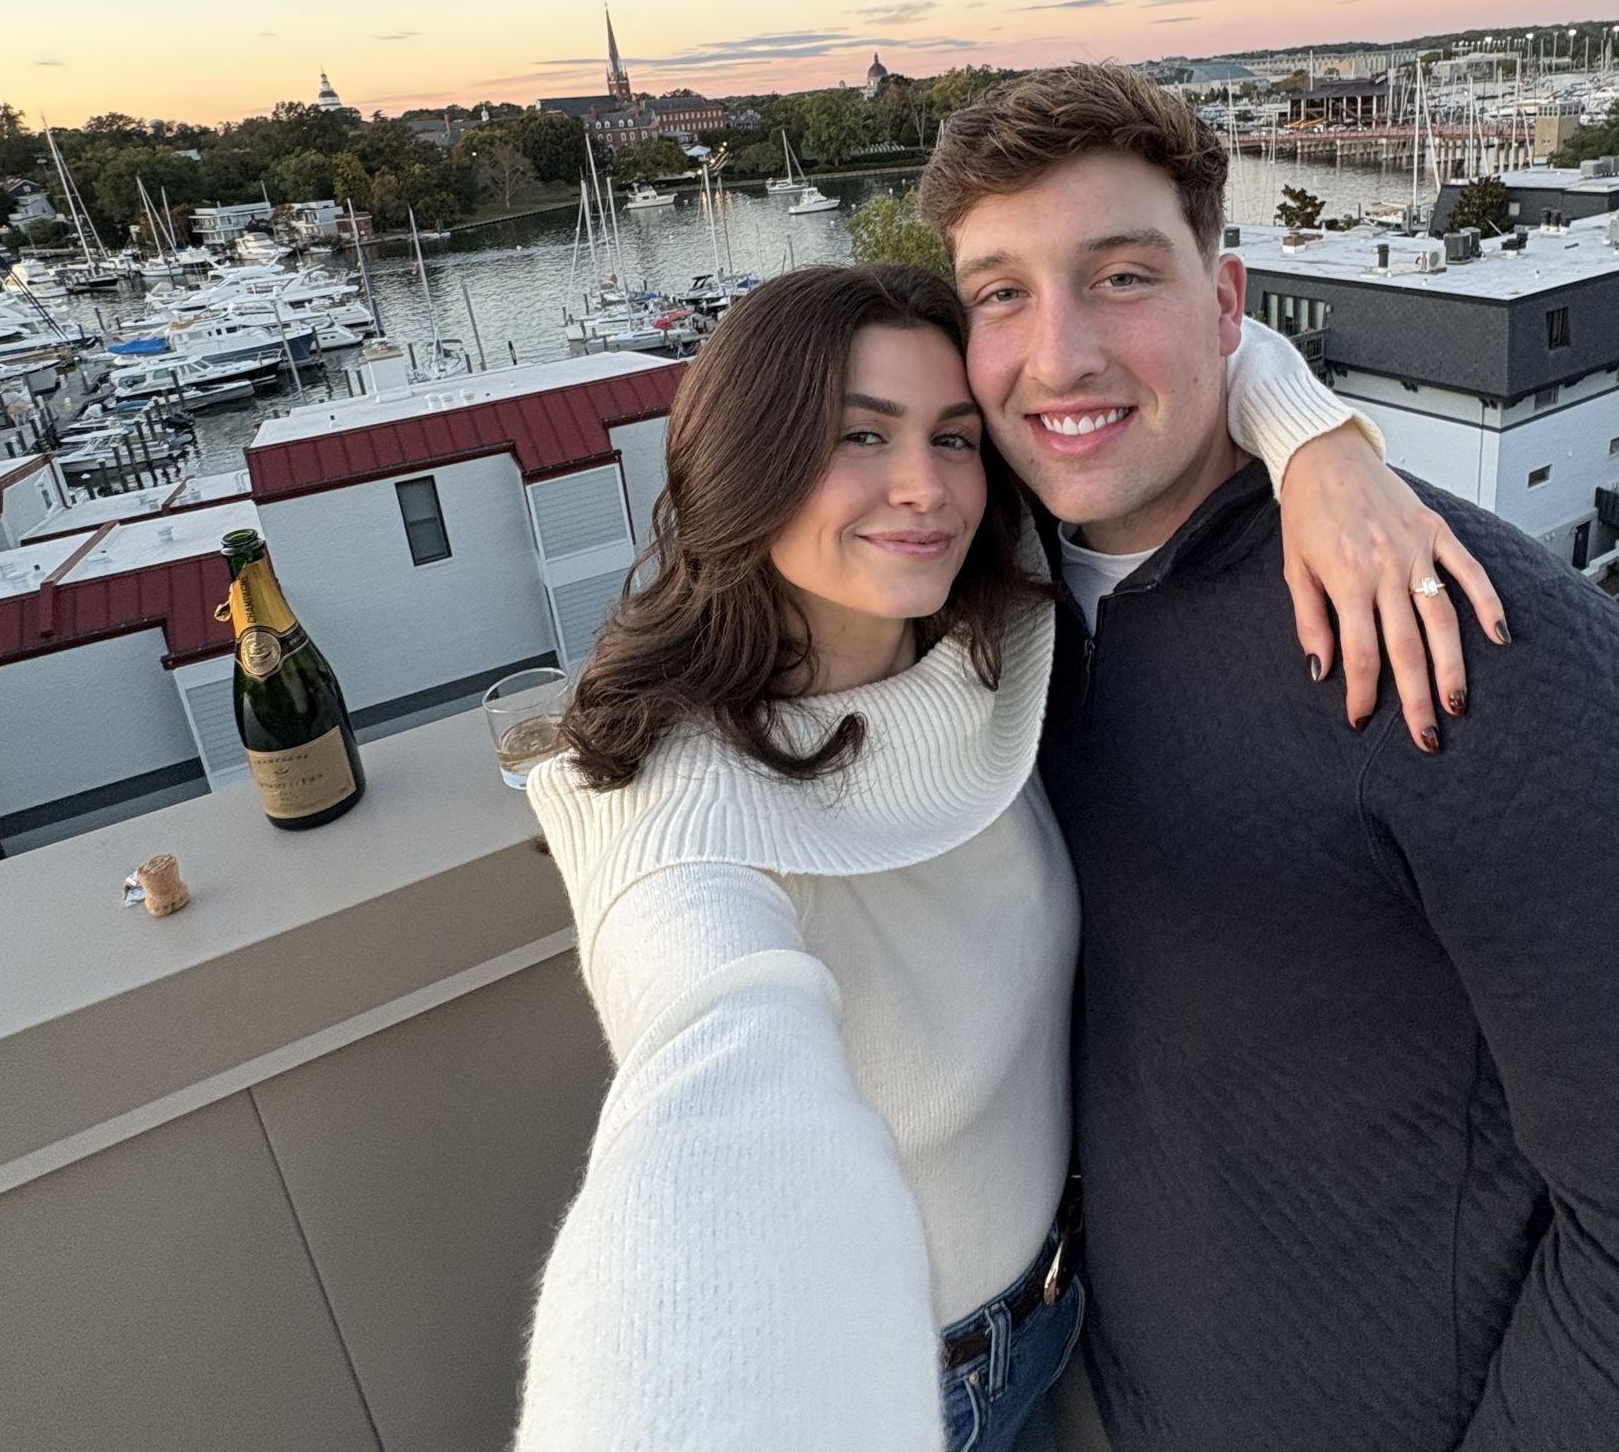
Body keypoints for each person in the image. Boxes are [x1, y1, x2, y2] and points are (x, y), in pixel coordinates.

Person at [917, 62, 1619, 1452]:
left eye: (1122, 276)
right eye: (1001, 290)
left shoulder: (1473, 648)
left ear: (1226, 304)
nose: (1057, 353)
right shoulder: (982, 584)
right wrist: (1309, 427)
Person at [513, 259, 1505, 1452]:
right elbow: (712, 1086)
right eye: (858, 438)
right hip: (915, 1398)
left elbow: (1193, 367)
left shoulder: (988, 633)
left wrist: (1323, 454)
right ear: (748, 459)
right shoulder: (664, 805)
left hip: (1074, 1312)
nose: (923, 488)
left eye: (952, 437)